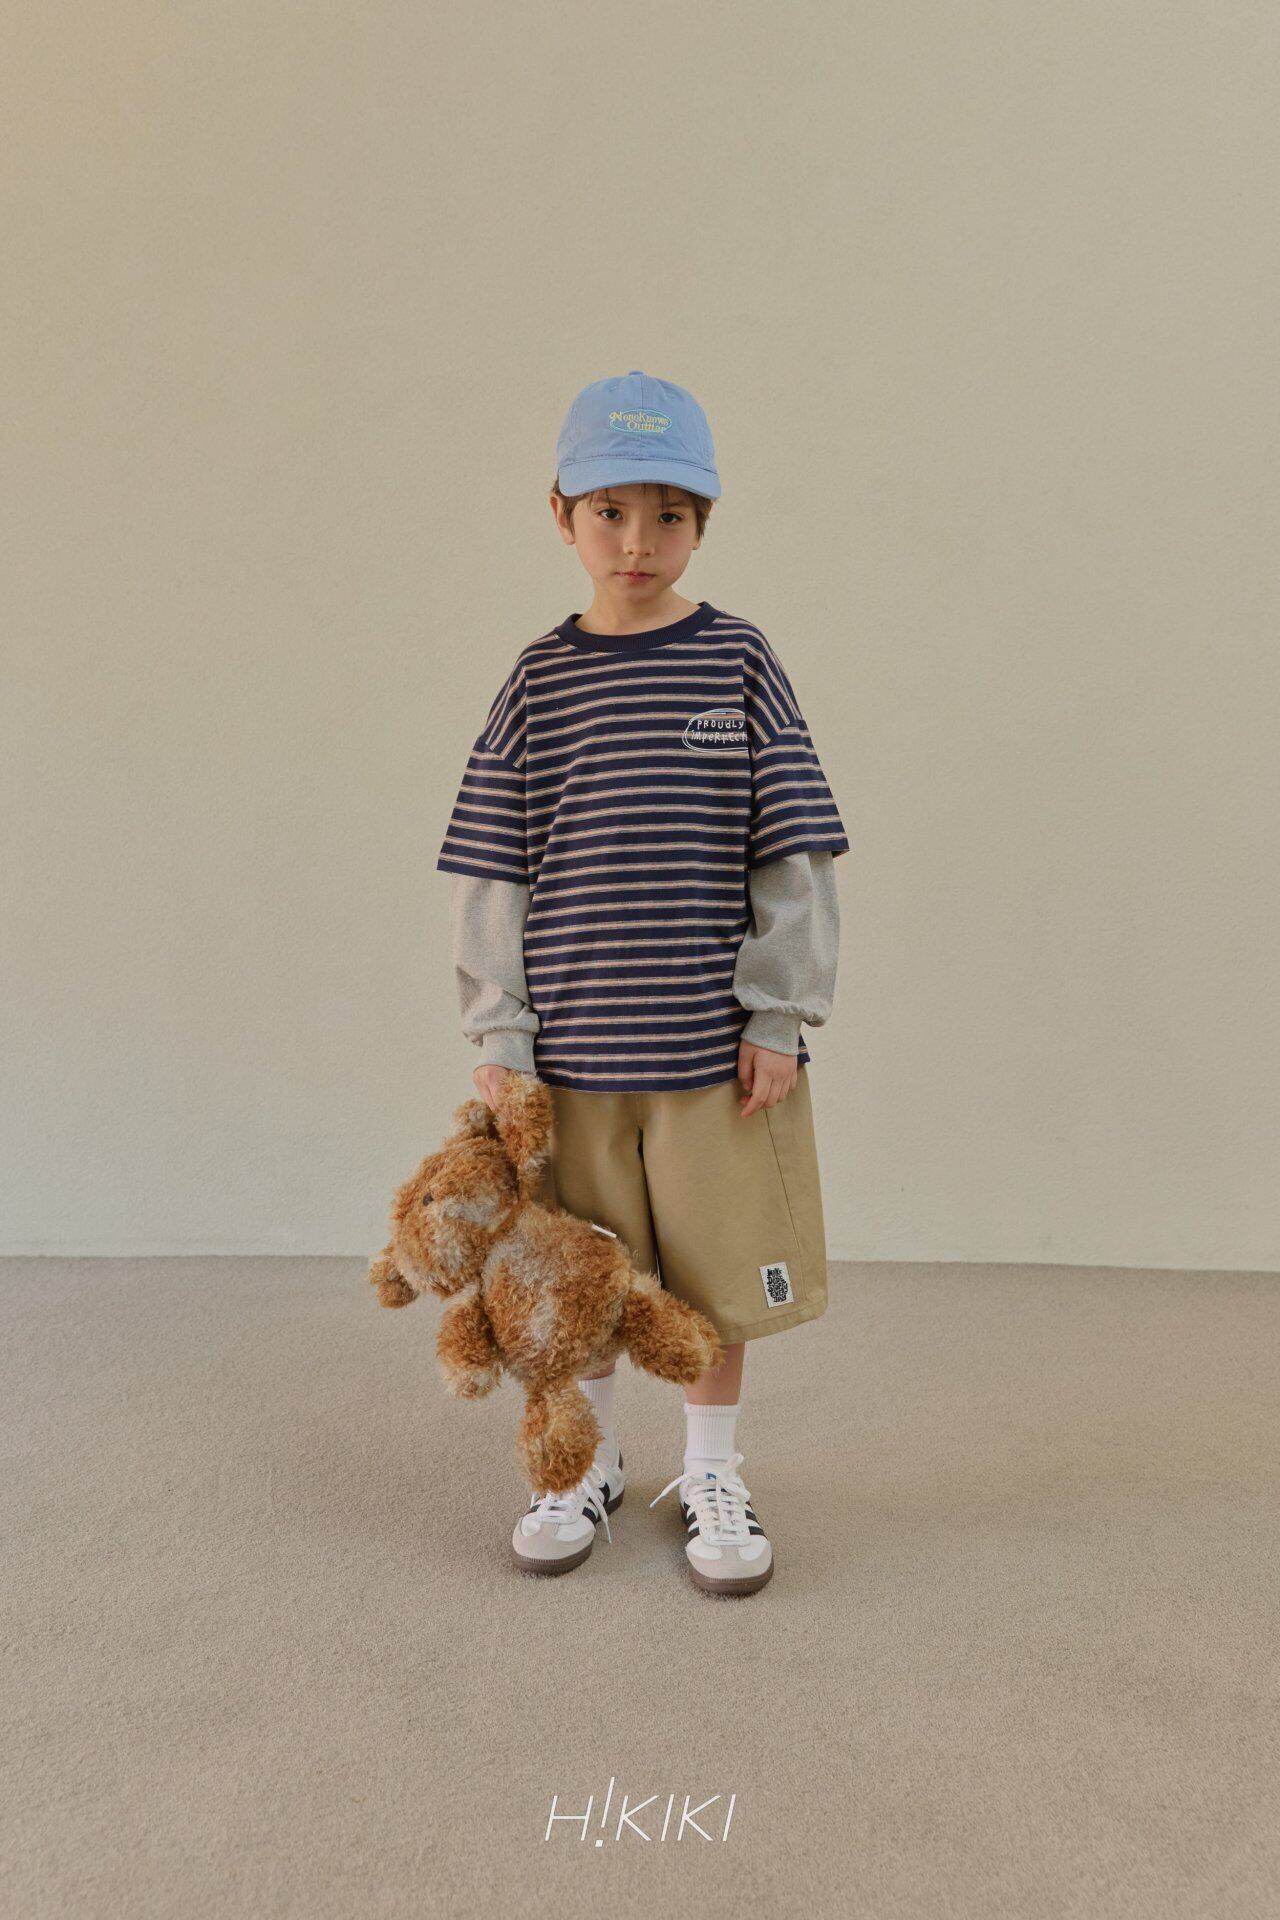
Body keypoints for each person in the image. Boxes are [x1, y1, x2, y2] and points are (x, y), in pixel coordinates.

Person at [435, 370, 848, 1597]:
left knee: (714, 1286)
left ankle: (710, 1470)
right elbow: (490, 871)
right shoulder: (537, 681)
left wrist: (778, 1011)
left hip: (712, 1060)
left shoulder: (736, 660)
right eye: (608, 512)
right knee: (581, 1282)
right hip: (569, 1062)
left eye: (667, 515)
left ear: (700, 524)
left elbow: (792, 854)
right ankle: (590, 1463)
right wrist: (499, 1035)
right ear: (560, 514)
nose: (636, 541)